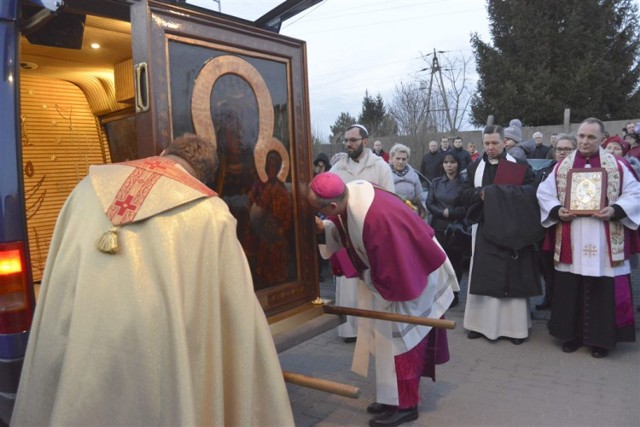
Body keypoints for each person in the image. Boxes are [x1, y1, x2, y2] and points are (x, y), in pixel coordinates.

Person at [11, 134, 294, 426]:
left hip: (80, 351)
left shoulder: (86, 190)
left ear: (162, 153)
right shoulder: (210, 215)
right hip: (156, 368)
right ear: (203, 177)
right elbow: (236, 317)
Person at [309, 172, 457, 427]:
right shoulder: (350, 193)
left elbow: (394, 274)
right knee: (385, 338)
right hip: (399, 265)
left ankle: (407, 405)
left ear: (333, 205)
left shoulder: (377, 218)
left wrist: (365, 278)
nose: (324, 216)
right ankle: (392, 398)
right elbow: (344, 223)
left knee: (404, 340)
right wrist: (325, 228)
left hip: (413, 271)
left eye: (321, 212)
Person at [537, 118, 639, 358]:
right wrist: (556, 210)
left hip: (604, 237)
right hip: (572, 235)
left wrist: (615, 210)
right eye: (581, 136)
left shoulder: (618, 165)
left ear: (602, 139)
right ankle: (571, 335)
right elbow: (544, 193)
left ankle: (600, 340)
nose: (584, 141)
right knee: (571, 288)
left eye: (591, 137)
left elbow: (635, 194)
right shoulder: (562, 166)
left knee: (602, 289)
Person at [461, 125, 543, 345]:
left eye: (495, 143)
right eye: (486, 143)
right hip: (484, 228)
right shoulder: (474, 167)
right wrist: (481, 193)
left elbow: (532, 193)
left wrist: (499, 195)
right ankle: (478, 325)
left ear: (504, 142)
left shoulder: (520, 166)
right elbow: (464, 194)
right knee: (484, 274)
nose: (490, 147)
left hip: (512, 229)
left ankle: (514, 329)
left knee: (512, 275)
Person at [329, 124, 395, 342]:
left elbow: (391, 200)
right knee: (348, 284)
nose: (348, 144)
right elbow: (326, 194)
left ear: (365, 141)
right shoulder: (338, 168)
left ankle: (375, 329)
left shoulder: (380, 166)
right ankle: (350, 329)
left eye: (353, 140)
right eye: (346, 140)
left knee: (372, 282)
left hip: (372, 233)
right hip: (346, 233)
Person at [534, 133, 577, 311]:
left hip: (573, 227)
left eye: (567, 149)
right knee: (548, 267)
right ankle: (549, 297)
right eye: (559, 149)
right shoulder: (546, 171)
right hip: (549, 228)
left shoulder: (582, 171)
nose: (562, 152)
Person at [427, 153, 469, 308]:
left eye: (452, 162)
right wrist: (442, 212)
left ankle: (454, 293)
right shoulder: (436, 182)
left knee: (455, 263)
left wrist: (451, 213)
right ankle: (439, 293)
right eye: (446, 162)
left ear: (458, 164)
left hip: (456, 229)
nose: (449, 165)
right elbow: (429, 202)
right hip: (438, 227)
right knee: (439, 263)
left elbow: (466, 206)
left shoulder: (464, 183)